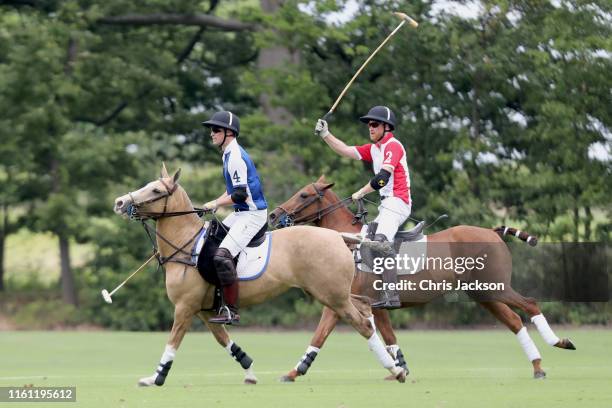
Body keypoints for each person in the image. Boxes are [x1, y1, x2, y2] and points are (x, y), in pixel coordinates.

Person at [314, 106, 412, 309]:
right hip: (386, 204)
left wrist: (362, 191)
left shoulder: (393, 146)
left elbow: (382, 179)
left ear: (386, 127)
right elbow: (345, 150)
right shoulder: (374, 149)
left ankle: (392, 295)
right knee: (365, 243)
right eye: (369, 124)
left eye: (375, 124)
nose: (371, 127)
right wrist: (326, 134)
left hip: (398, 201)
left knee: (380, 242)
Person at [201, 111, 268, 324]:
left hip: (252, 215)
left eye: (216, 130)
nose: (211, 134)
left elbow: (240, 194)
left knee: (221, 255)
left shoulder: (236, 156)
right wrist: (212, 203)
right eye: (211, 130)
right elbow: (233, 191)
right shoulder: (228, 154)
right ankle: (215, 296)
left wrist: (216, 203)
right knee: (210, 238)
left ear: (229, 132)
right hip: (241, 213)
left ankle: (230, 310)